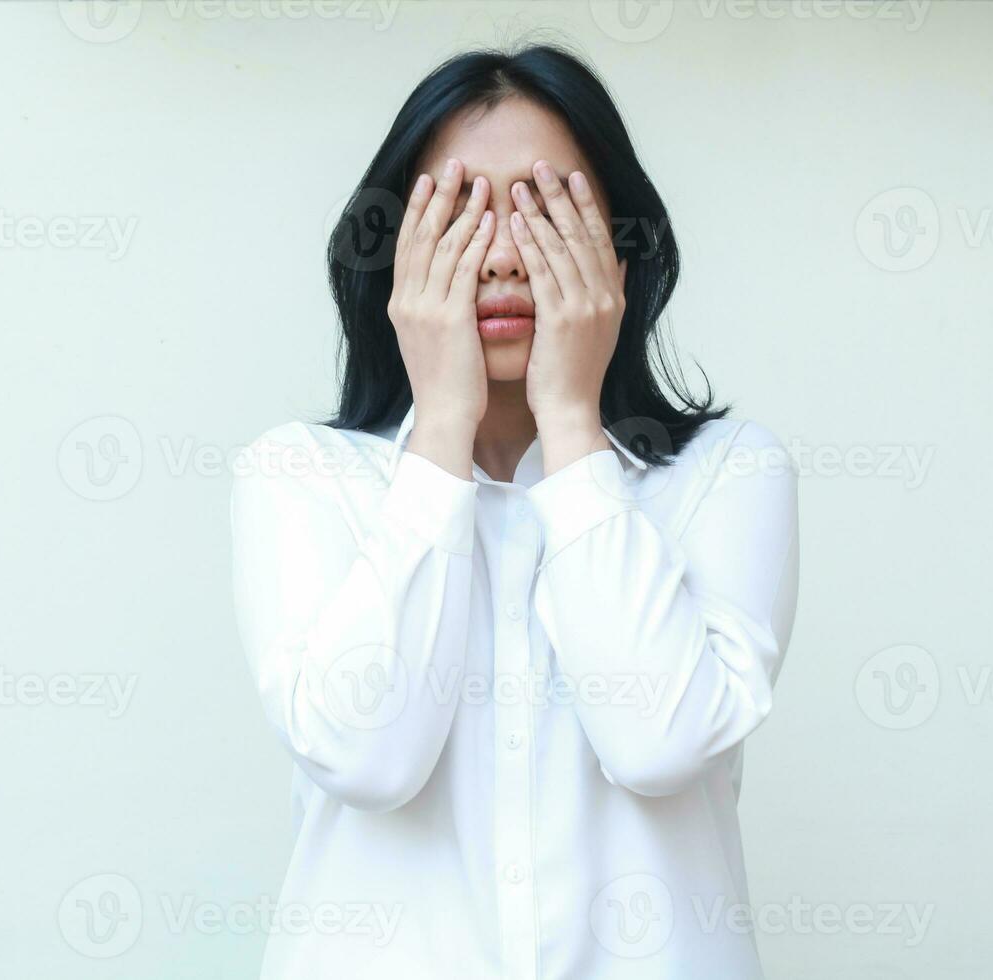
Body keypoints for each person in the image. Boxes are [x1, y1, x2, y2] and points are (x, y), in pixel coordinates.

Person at [230, 42, 800, 980]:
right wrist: (443, 427)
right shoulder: (301, 475)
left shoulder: (725, 476)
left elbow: (657, 742)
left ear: (614, 243)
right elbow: (367, 759)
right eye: (456, 212)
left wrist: (571, 423)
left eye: (544, 210)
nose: (499, 255)